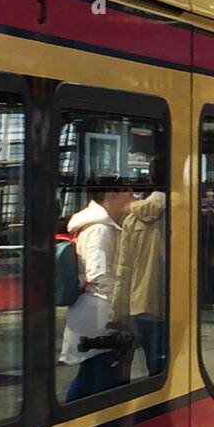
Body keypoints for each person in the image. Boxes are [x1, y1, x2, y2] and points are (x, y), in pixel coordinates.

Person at [62, 177, 134, 401]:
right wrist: (120, 303)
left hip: (92, 312)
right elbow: (98, 274)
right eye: (128, 192)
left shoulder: (99, 225)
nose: (133, 198)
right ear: (111, 195)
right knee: (105, 379)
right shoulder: (100, 230)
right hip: (99, 314)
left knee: (89, 375)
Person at [109, 162, 168, 377]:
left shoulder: (132, 218)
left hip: (144, 304)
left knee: (156, 370)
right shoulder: (186, 213)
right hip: (178, 304)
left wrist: (117, 312)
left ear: (150, 180)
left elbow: (124, 269)